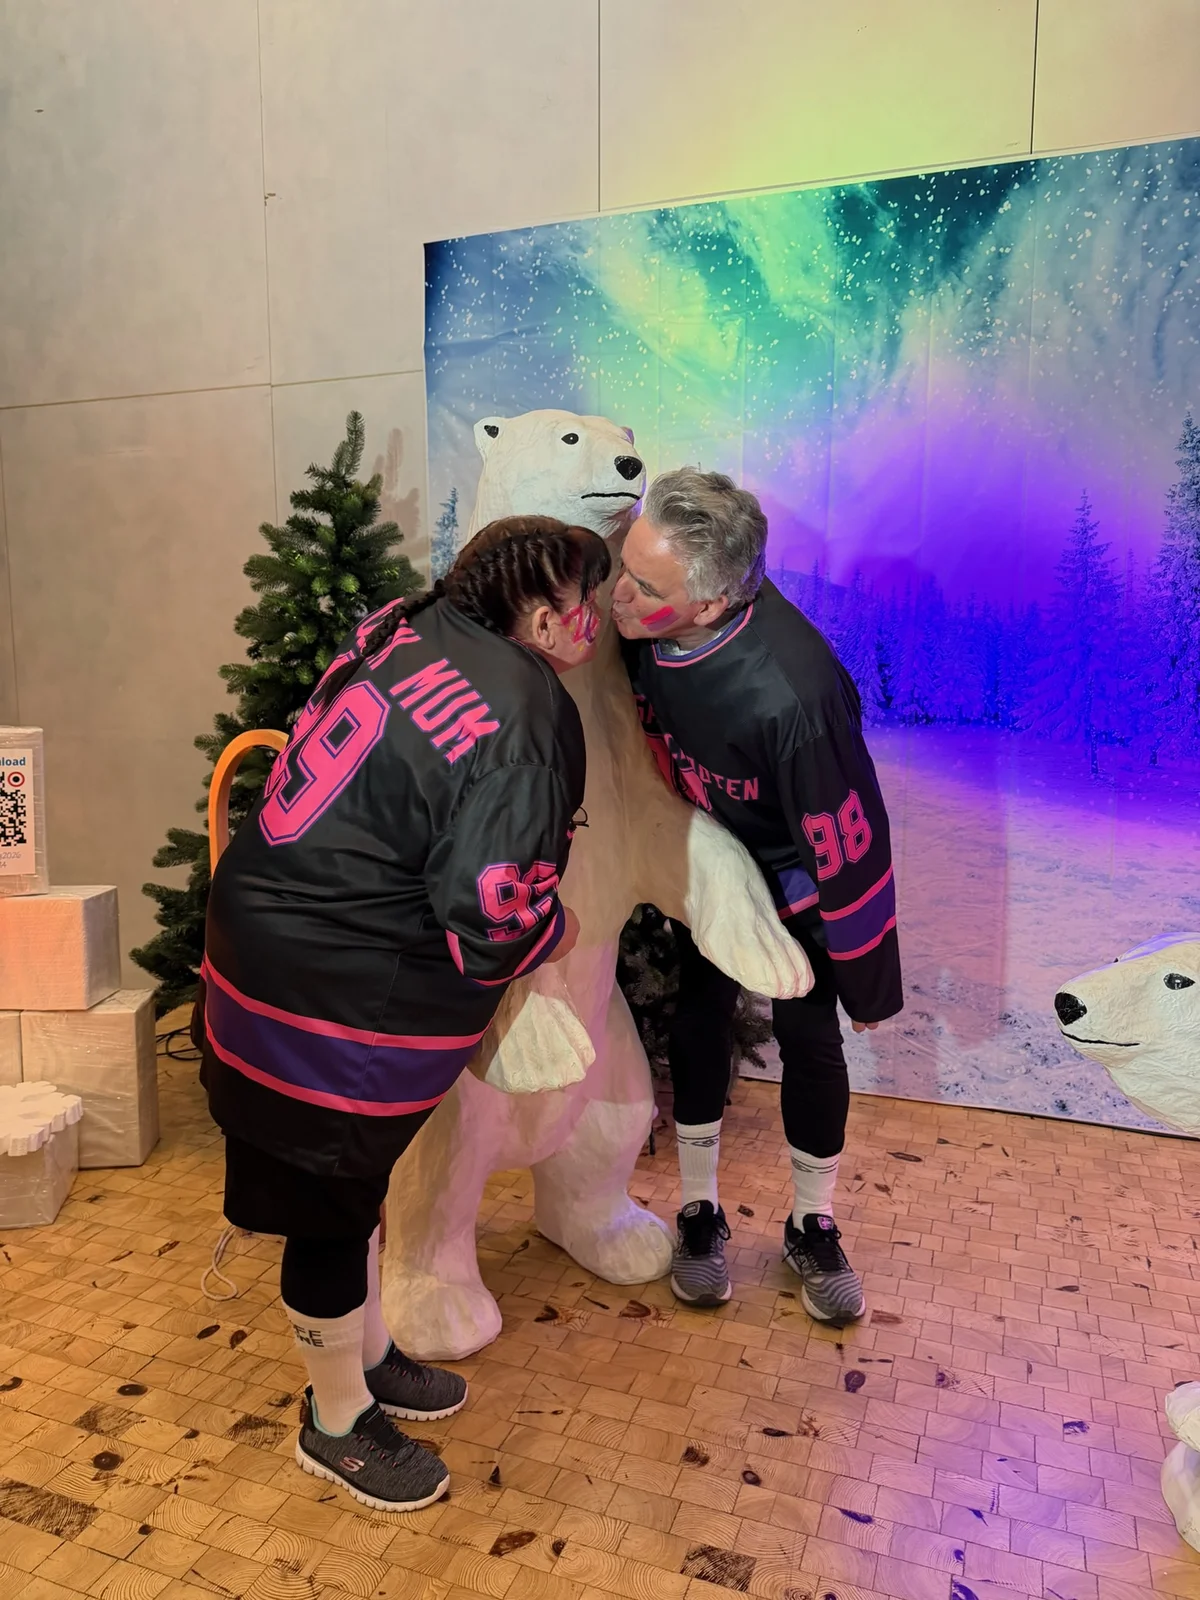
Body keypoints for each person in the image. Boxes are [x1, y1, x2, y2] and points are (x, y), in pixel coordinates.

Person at [194, 516, 609, 1512]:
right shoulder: (526, 710)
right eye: (585, 605)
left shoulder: (409, 621)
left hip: (272, 935)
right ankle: (335, 1420)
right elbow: (491, 912)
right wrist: (555, 929)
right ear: (543, 618)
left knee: (355, 1185)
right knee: (331, 1204)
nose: (596, 624)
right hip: (331, 985)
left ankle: (368, 1354)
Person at [612, 469, 902, 1322]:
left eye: (645, 587)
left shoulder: (795, 695)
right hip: (708, 862)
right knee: (699, 1018)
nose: (620, 595)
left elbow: (849, 837)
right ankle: (699, 1212)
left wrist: (868, 980)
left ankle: (813, 1224)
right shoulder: (640, 627)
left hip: (792, 885)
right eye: (626, 567)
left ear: (710, 604)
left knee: (810, 1037)